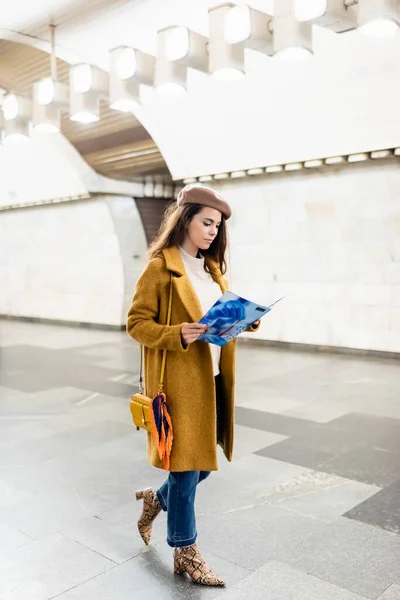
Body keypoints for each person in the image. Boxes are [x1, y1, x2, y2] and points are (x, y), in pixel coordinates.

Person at [127, 185, 260, 587]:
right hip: (179, 384)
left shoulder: (212, 270)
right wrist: (176, 333)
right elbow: (136, 323)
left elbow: (215, 317)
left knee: (201, 466)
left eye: (217, 226)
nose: (212, 232)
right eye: (206, 222)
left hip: (213, 379)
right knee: (185, 471)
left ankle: (156, 500)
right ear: (185, 219)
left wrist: (244, 319)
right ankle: (186, 550)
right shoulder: (160, 268)